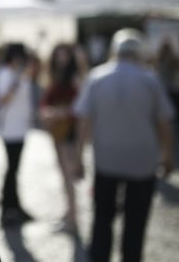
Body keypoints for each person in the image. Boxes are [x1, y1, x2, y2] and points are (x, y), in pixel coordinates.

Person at [74, 28, 175, 262]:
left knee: (102, 218)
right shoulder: (150, 79)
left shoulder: (97, 77)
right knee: (136, 222)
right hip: (142, 161)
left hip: (106, 159)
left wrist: (79, 157)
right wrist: (168, 155)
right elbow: (164, 123)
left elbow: (83, 121)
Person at [40, 43, 84, 235]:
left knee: (68, 175)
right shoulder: (55, 76)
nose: (61, 59)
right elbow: (46, 101)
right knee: (64, 174)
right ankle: (69, 213)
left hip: (70, 131)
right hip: (58, 130)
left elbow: (80, 107)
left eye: (64, 55)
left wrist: (58, 112)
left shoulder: (74, 78)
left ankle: (74, 218)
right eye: (58, 55)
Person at [0, 42, 35, 226]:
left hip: (21, 127)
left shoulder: (22, 74)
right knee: (11, 168)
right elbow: (3, 98)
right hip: (9, 129)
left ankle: (15, 205)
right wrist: (16, 81)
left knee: (15, 169)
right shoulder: (4, 73)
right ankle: (6, 208)